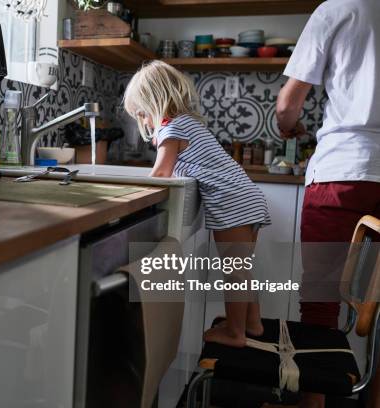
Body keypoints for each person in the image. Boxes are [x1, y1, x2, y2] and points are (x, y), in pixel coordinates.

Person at [123, 60, 271, 348]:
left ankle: (235, 333)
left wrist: (130, 190)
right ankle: (252, 323)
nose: (144, 122)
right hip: (246, 199)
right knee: (241, 268)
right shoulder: (188, 123)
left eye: (142, 114)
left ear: (154, 104)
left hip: (233, 204)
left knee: (235, 271)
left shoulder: (171, 129)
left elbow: (161, 174)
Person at [277, 0, 380, 406]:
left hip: (343, 172)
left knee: (320, 302)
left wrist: (288, 127)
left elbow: (288, 104)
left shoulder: (339, 7)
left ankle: (314, 403)